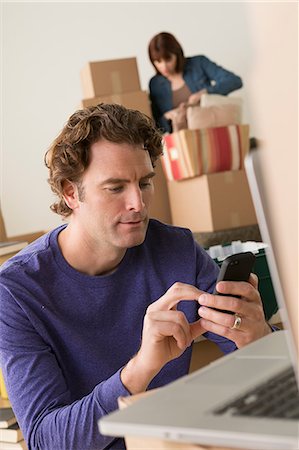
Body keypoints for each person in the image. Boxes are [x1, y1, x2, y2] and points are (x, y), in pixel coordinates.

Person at [0, 104, 272, 450]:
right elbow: (46, 441)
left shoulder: (177, 249)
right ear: (71, 193)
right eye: (115, 188)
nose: (138, 204)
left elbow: (265, 366)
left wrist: (259, 337)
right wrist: (140, 370)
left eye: (145, 183)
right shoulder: (16, 291)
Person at [148, 32, 243, 133]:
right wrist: (167, 117)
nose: (164, 67)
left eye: (168, 59)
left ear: (177, 54)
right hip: (181, 140)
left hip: (211, 129)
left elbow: (234, 81)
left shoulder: (199, 63)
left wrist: (205, 93)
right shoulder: (155, 84)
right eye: (158, 61)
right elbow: (155, 126)